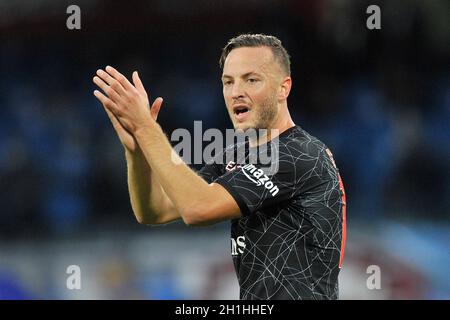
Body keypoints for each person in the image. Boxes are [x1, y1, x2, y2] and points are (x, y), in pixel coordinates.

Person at [92, 34, 347, 300]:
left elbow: (197, 208)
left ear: (283, 88)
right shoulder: (236, 155)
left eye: (251, 79)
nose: (236, 91)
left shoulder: (299, 153)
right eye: (228, 82)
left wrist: (146, 128)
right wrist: (137, 149)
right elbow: (155, 210)